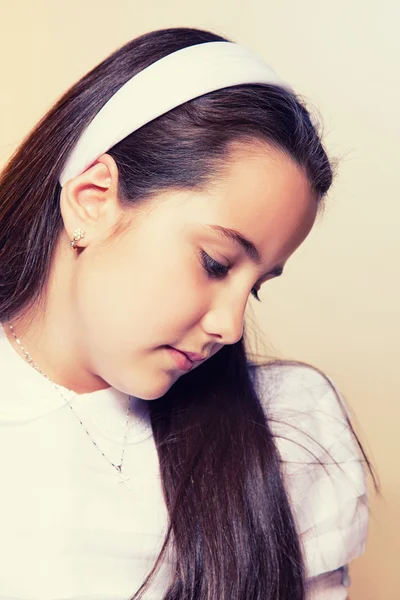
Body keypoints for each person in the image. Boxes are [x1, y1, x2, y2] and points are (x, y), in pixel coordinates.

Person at [0, 26, 377, 600]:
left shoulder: (283, 433)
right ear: (94, 198)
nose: (229, 328)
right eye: (216, 262)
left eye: (255, 288)